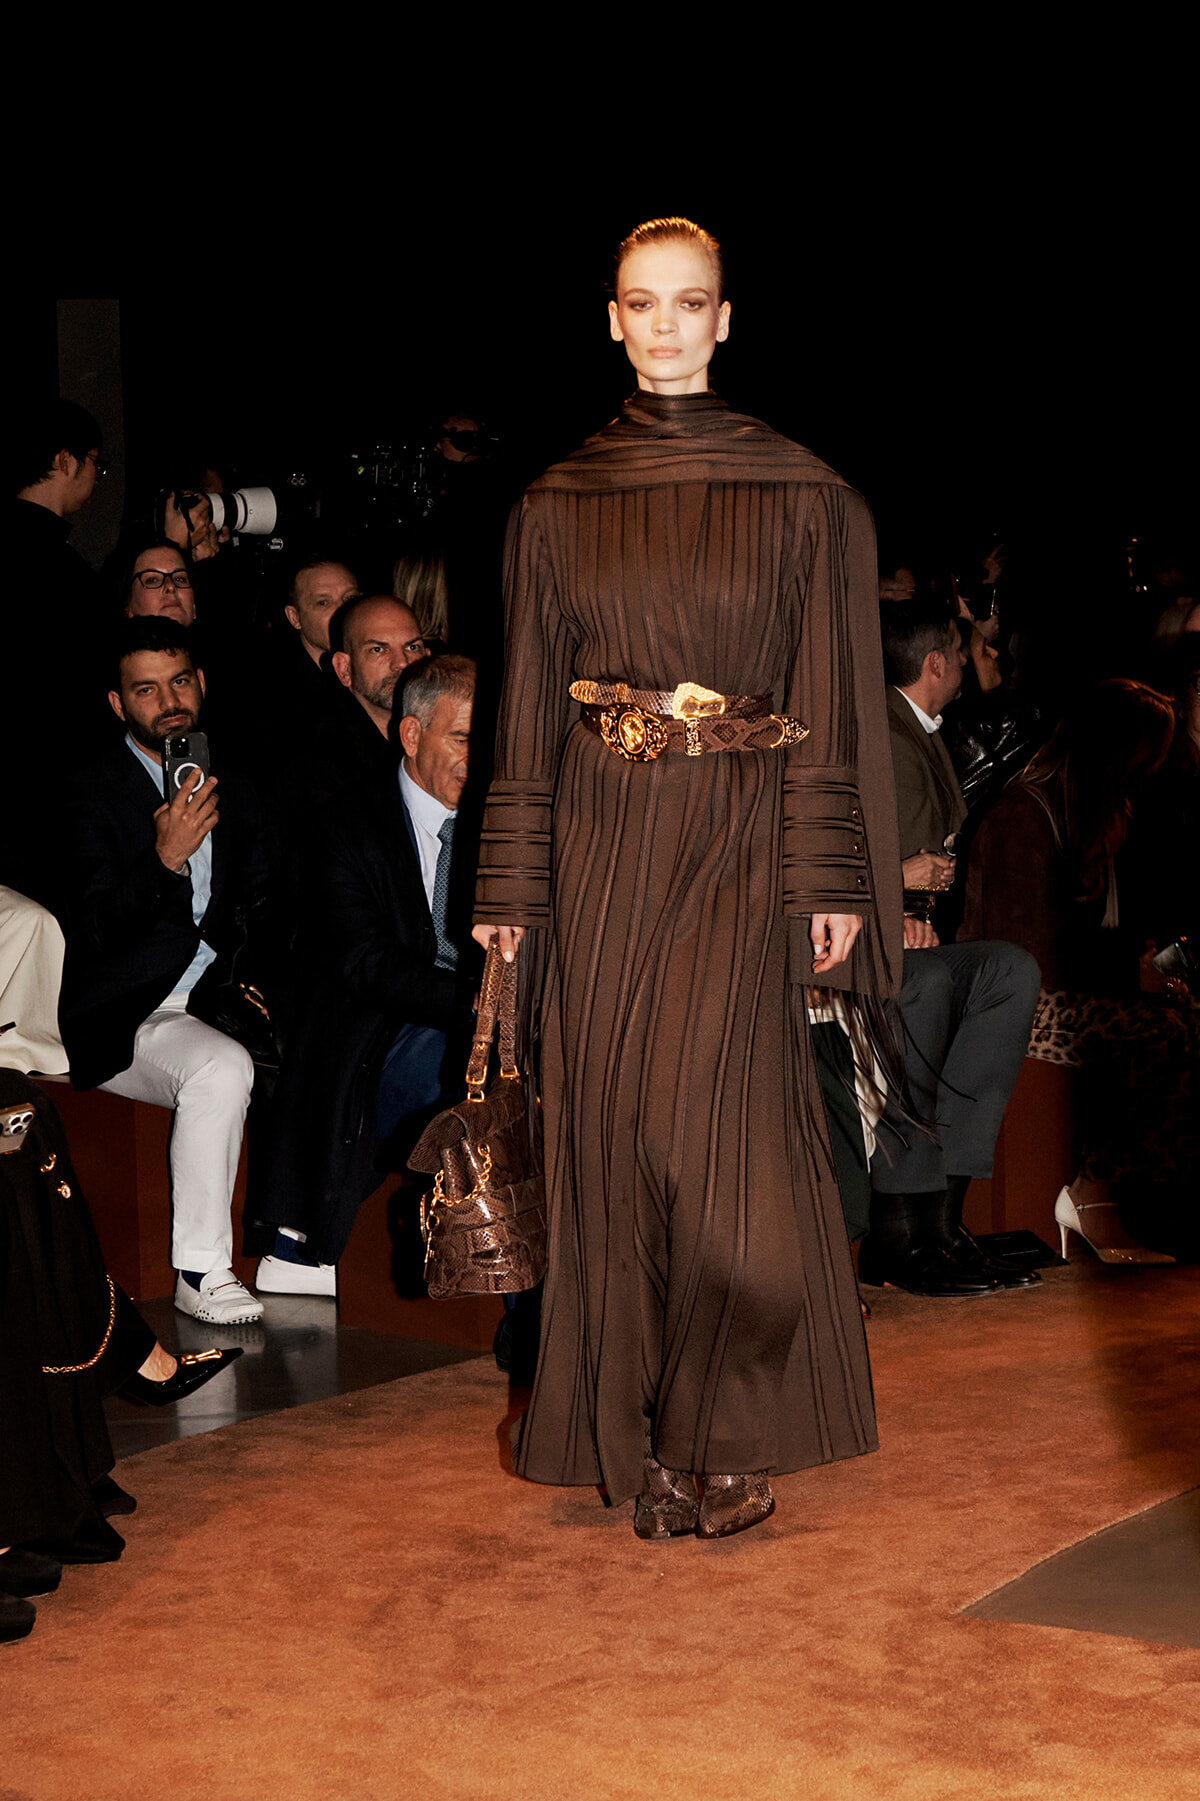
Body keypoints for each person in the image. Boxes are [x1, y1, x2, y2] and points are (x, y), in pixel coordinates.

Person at [473, 218, 901, 1542]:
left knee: (737, 1177)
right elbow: (523, 717)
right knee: (615, 1152)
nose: (665, 325)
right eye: (642, 303)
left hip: (742, 841)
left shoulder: (808, 495)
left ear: (727, 318)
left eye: (689, 302)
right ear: (611, 319)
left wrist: (828, 873)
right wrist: (510, 893)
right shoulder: (554, 503)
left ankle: (716, 1425)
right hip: (601, 846)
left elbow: (832, 702)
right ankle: (658, 1445)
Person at [57, 617, 272, 1325]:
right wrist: (164, 858)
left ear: (201, 684)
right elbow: (95, 930)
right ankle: (200, 1271)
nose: (169, 701)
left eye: (179, 681)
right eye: (146, 689)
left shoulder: (238, 783)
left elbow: (264, 902)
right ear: (118, 704)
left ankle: (297, 1249)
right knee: (221, 1067)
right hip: (131, 1012)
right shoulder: (88, 792)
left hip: (221, 998)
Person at [259, 656, 480, 1283]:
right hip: (376, 1035)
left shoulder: (503, 823)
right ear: (411, 735)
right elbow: (367, 965)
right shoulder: (342, 828)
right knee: (474, 1097)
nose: (478, 758)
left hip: (489, 1022)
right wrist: (481, 1003)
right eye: (462, 738)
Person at [962, 678, 1197, 1262]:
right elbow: (1029, 957)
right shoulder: (1025, 814)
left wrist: (1138, 961)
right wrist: (1129, 976)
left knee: (1184, 1019)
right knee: (1160, 1034)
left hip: (1049, 990)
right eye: (1150, 753)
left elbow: (1081, 936)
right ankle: (1099, 1196)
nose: (1156, 767)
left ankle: (1133, 1199)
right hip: (1009, 1002)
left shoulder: (1087, 810)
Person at [856, 601, 1041, 1298]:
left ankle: (941, 1218)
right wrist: (897, 904)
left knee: (1008, 970)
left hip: (906, 928)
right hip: (851, 935)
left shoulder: (919, 727)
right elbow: (829, 848)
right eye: (961, 653)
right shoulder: (876, 730)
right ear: (935, 662)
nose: (967, 662)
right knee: (926, 982)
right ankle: (896, 1230)